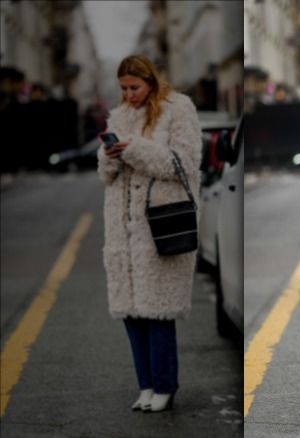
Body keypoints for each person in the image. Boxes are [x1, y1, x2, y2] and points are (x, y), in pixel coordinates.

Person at [97, 54, 202, 413]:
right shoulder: (120, 115)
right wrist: (110, 154)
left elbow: (185, 163)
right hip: (122, 232)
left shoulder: (178, 109)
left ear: (151, 82)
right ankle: (145, 385)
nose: (129, 95)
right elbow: (106, 174)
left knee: (158, 311)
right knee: (130, 312)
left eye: (135, 87)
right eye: (123, 88)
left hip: (158, 226)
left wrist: (136, 150)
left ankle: (165, 386)